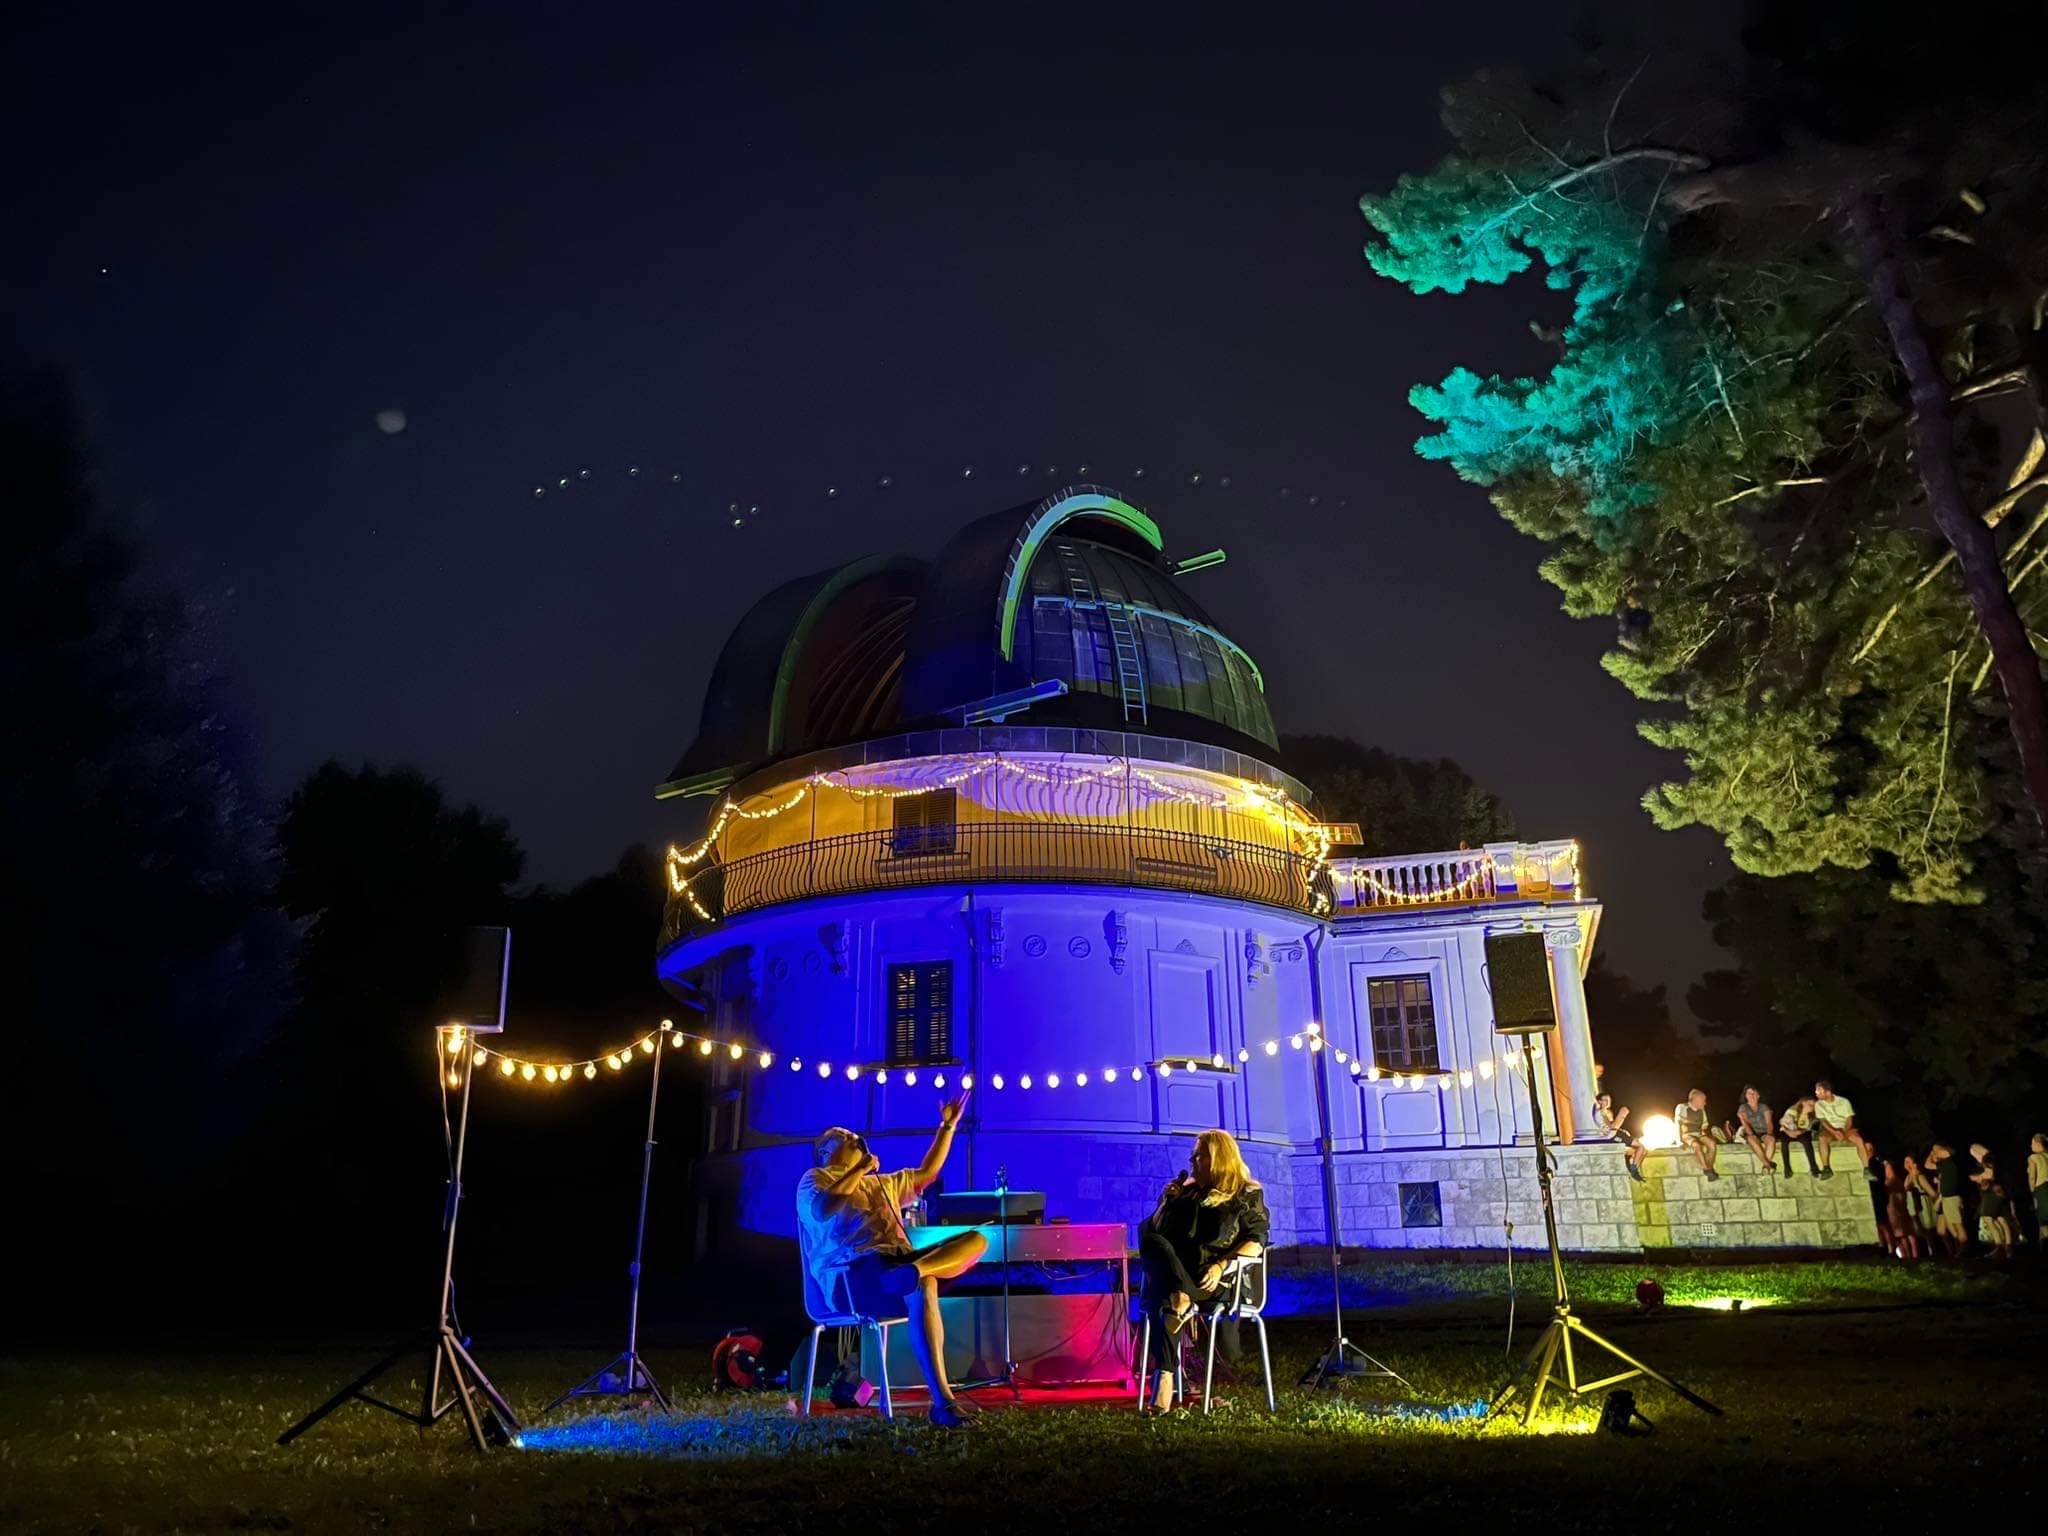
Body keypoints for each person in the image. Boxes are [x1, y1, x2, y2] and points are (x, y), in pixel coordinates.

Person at [796, 1094, 986, 1427]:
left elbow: (927, 1173)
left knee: (977, 1240)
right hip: (853, 1276)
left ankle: (916, 1271)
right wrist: (859, 1169)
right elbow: (823, 1209)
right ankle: (943, 1403)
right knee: (923, 1285)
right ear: (826, 1151)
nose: (855, 1136)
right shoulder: (815, 1179)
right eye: (845, 1136)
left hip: (898, 1265)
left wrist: (947, 1126)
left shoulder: (883, 1183)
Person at [1139, 1128, 1270, 1415]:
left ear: (1218, 1158)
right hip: (1183, 1277)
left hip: (1215, 1280)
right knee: (1150, 1240)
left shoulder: (1246, 1194)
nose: (1192, 1162)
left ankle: (1163, 1385)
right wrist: (1167, 1203)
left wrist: (1222, 1266)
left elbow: (1257, 1241)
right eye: (1193, 1156)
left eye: (1199, 1156)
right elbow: (1155, 1235)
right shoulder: (1188, 1193)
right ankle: (1180, 1303)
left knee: (1165, 1301)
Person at [1812, 1080, 1870, 1179]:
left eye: (1819, 1091)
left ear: (1828, 1092)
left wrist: (1843, 1132)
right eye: (1816, 1091)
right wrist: (1834, 1132)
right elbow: (1823, 1121)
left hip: (1845, 1127)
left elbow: (1849, 1119)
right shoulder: (1818, 1104)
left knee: (1858, 1139)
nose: (1816, 1093)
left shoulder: (1844, 1102)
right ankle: (1826, 1168)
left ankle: (1866, 1169)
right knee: (1822, 1138)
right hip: (1830, 1129)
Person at [1587, 1092, 1648, 1182]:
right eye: (1605, 1100)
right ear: (1599, 1102)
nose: (1608, 1102)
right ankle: (1633, 1170)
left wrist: (1621, 1130)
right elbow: (1613, 1127)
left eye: (1609, 1100)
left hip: (1615, 1134)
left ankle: (1632, 1166)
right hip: (1613, 1136)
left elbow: (1612, 1126)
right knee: (1641, 1147)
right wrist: (1622, 1115)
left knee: (1640, 1148)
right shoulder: (1601, 1113)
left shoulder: (1605, 1112)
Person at [1970, 1145, 2014, 1260]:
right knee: (2000, 1219)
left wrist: (1977, 1177)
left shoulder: (1989, 1165)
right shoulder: (1996, 1164)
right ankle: (2008, 1247)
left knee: (1988, 1218)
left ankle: (1999, 1246)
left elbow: (1987, 1176)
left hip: (1992, 1196)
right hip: (1999, 1195)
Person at [1930, 1142, 1967, 1258]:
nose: (1935, 1152)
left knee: (1958, 1224)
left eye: (1937, 1150)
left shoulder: (1952, 1162)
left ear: (1945, 1151)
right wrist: (1933, 1152)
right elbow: (1928, 1164)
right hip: (1946, 1199)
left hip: (1953, 1198)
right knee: (1952, 1225)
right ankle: (1959, 1250)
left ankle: (1963, 1249)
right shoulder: (1943, 1164)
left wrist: (1935, 1152)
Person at [1675, 1089, 1719, 1181]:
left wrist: (1707, 1137)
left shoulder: (1702, 1110)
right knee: (1696, 1146)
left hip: (1698, 1134)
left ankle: (1709, 1168)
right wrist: (1679, 1141)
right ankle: (1706, 1169)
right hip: (1687, 1134)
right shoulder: (1682, 1107)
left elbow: (1704, 1127)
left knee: (1712, 1143)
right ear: (1695, 1099)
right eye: (1703, 1100)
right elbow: (1677, 1124)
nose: (1705, 1103)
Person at [1734, 1086, 1777, 1175]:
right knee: (1751, 1139)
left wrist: (1769, 1134)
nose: (1751, 1095)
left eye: (1753, 1093)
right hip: (1751, 1132)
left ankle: (1766, 1166)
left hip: (1764, 1132)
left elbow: (1769, 1123)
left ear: (1758, 1095)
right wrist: (1751, 1134)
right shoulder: (1743, 1107)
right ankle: (1768, 1165)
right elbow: (1745, 1124)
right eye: (1749, 1093)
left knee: (1771, 1139)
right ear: (1745, 1096)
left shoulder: (1764, 1107)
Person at [1880, 1159, 1917, 1259]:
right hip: (1891, 1211)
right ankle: (1905, 1255)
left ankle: (1909, 1256)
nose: (1886, 1171)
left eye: (1888, 1168)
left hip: (1896, 1211)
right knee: (1898, 1237)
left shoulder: (1895, 1181)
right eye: (1885, 1169)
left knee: (1902, 1235)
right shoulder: (1888, 1181)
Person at [1902, 1153, 1938, 1254]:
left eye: (1908, 1161)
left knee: (1927, 1231)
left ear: (1915, 1164)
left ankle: (1933, 1252)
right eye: (1905, 1161)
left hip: (1922, 1206)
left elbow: (1932, 1193)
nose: (1906, 1163)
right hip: (1913, 1208)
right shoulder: (1908, 1177)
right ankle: (1929, 1251)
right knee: (1920, 1231)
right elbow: (1906, 1189)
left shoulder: (1920, 1177)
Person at [1778, 1097, 1822, 1178]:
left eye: (1814, 1106)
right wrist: (1789, 1132)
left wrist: (1799, 1132)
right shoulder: (1793, 1110)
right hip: (1787, 1130)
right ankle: (1787, 1168)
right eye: (1810, 1104)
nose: (1812, 1107)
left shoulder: (1813, 1116)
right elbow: (1783, 1124)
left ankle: (1814, 1167)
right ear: (1803, 1103)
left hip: (1800, 1132)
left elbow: (1809, 1128)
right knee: (1784, 1142)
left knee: (1807, 1140)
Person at [2029, 1133, 2048, 1239]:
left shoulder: (2033, 1157)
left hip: (2041, 1189)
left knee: (2043, 1221)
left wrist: (2033, 1191)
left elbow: (2032, 1177)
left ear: (2038, 1143)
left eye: (2032, 1143)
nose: (2031, 1145)